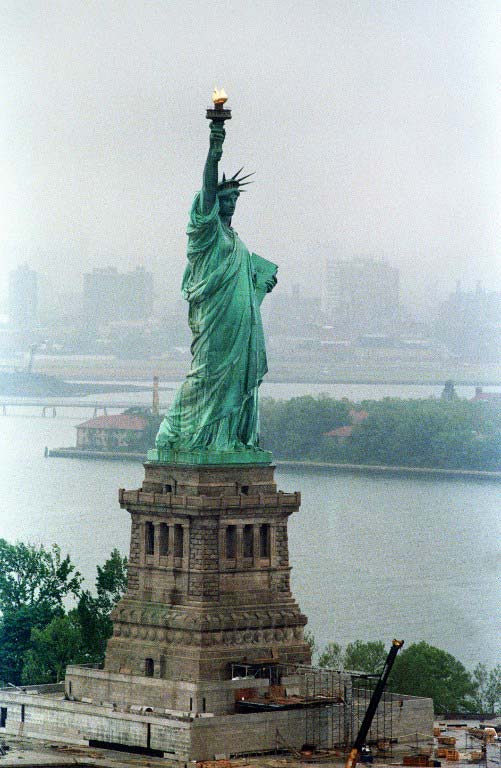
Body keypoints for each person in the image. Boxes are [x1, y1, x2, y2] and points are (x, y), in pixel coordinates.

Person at [155, 120, 277, 455]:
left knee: (236, 376)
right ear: (212, 202)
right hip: (214, 320)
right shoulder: (207, 233)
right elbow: (208, 185)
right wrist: (214, 149)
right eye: (227, 196)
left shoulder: (239, 244)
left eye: (236, 197)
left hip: (240, 322)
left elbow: (245, 290)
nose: (233, 201)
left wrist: (262, 286)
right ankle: (177, 430)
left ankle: (229, 439)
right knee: (206, 374)